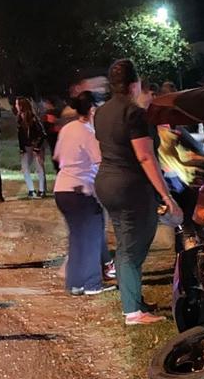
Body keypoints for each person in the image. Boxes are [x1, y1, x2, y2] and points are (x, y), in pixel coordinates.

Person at [94, 58, 183, 326]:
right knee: (134, 247)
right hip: (130, 186)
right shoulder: (134, 114)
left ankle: (133, 300)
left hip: (106, 183)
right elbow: (145, 157)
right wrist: (166, 196)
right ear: (135, 84)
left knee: (125, 243)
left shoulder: (101, 112)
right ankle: (132, 311)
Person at [53, 91, 114, 297]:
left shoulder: (68, 128)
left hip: (62, 189)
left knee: (77, 237)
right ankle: (92, 284)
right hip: (81, 191)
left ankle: (75, 283)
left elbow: (58, 156)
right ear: (92, 110)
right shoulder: (89, 133)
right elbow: (100, 162)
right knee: (92, 237)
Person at [15, 97, 47, 198]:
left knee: (39, 168)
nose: (15, 106)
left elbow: (42, 134)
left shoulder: (33, 118)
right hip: (26, 147)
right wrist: (22, 148)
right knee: (25, 168)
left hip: (35, 147)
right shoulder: (19, 118)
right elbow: (21, 136)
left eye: (17, 104)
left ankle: (41, 190)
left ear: (21, 106)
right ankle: (31, 190)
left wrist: (37, 147)